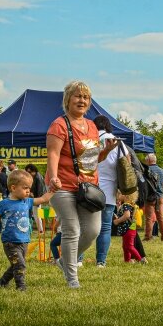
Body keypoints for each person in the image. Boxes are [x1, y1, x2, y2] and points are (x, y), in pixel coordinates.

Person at [45, 81, 117, 288]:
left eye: (85, 97)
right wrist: (53, 177)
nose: (82, 101)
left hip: (88, 188)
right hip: (63, 186)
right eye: (78, 96)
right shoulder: (58, 125)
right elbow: (53, 154)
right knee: (72, 230)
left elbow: (92, 160)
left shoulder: (92, 126)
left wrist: (107, 151)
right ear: (68, 99)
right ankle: (72, 278)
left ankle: (64, 261)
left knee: (93, 230)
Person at [0, 169, 54, 291]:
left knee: (16, 264)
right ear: (13, 188)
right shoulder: (4, 204)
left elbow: (43, 199)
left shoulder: (27, 201)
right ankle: (21, 286)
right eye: (25, 188)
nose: (28, 190)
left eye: (29, 187)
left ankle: (3, 281)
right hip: (10, 242)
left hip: (24, 241)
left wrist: (52, 191)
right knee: (20, 264)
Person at [91, 115, 130, 267]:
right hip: (110, 189)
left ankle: (78, 259)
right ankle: (101, 261)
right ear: (108, 126)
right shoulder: (117, 141)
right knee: (105, 227)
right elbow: (127, 163)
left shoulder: (92, 139)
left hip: (91, 188)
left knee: (84, 225)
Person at [112, 190, 144, 263]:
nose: (117, 196)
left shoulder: (126, 205)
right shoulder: (130, 204)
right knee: (125, 246)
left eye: (119, 194)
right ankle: (127, 260)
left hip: (128, 229)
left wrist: (117, 221)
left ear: (125, 196)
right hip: (130, 228)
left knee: (129, 246)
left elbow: (127, 215)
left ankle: (140, 259)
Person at [144, 153, 163, 241]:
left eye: (146, 160)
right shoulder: (162, 171)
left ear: (149, 161)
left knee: (149, 218)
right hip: (160, 196)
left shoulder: (146, 170)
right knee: (160, 217)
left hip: (150, 197)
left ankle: (148, 237)